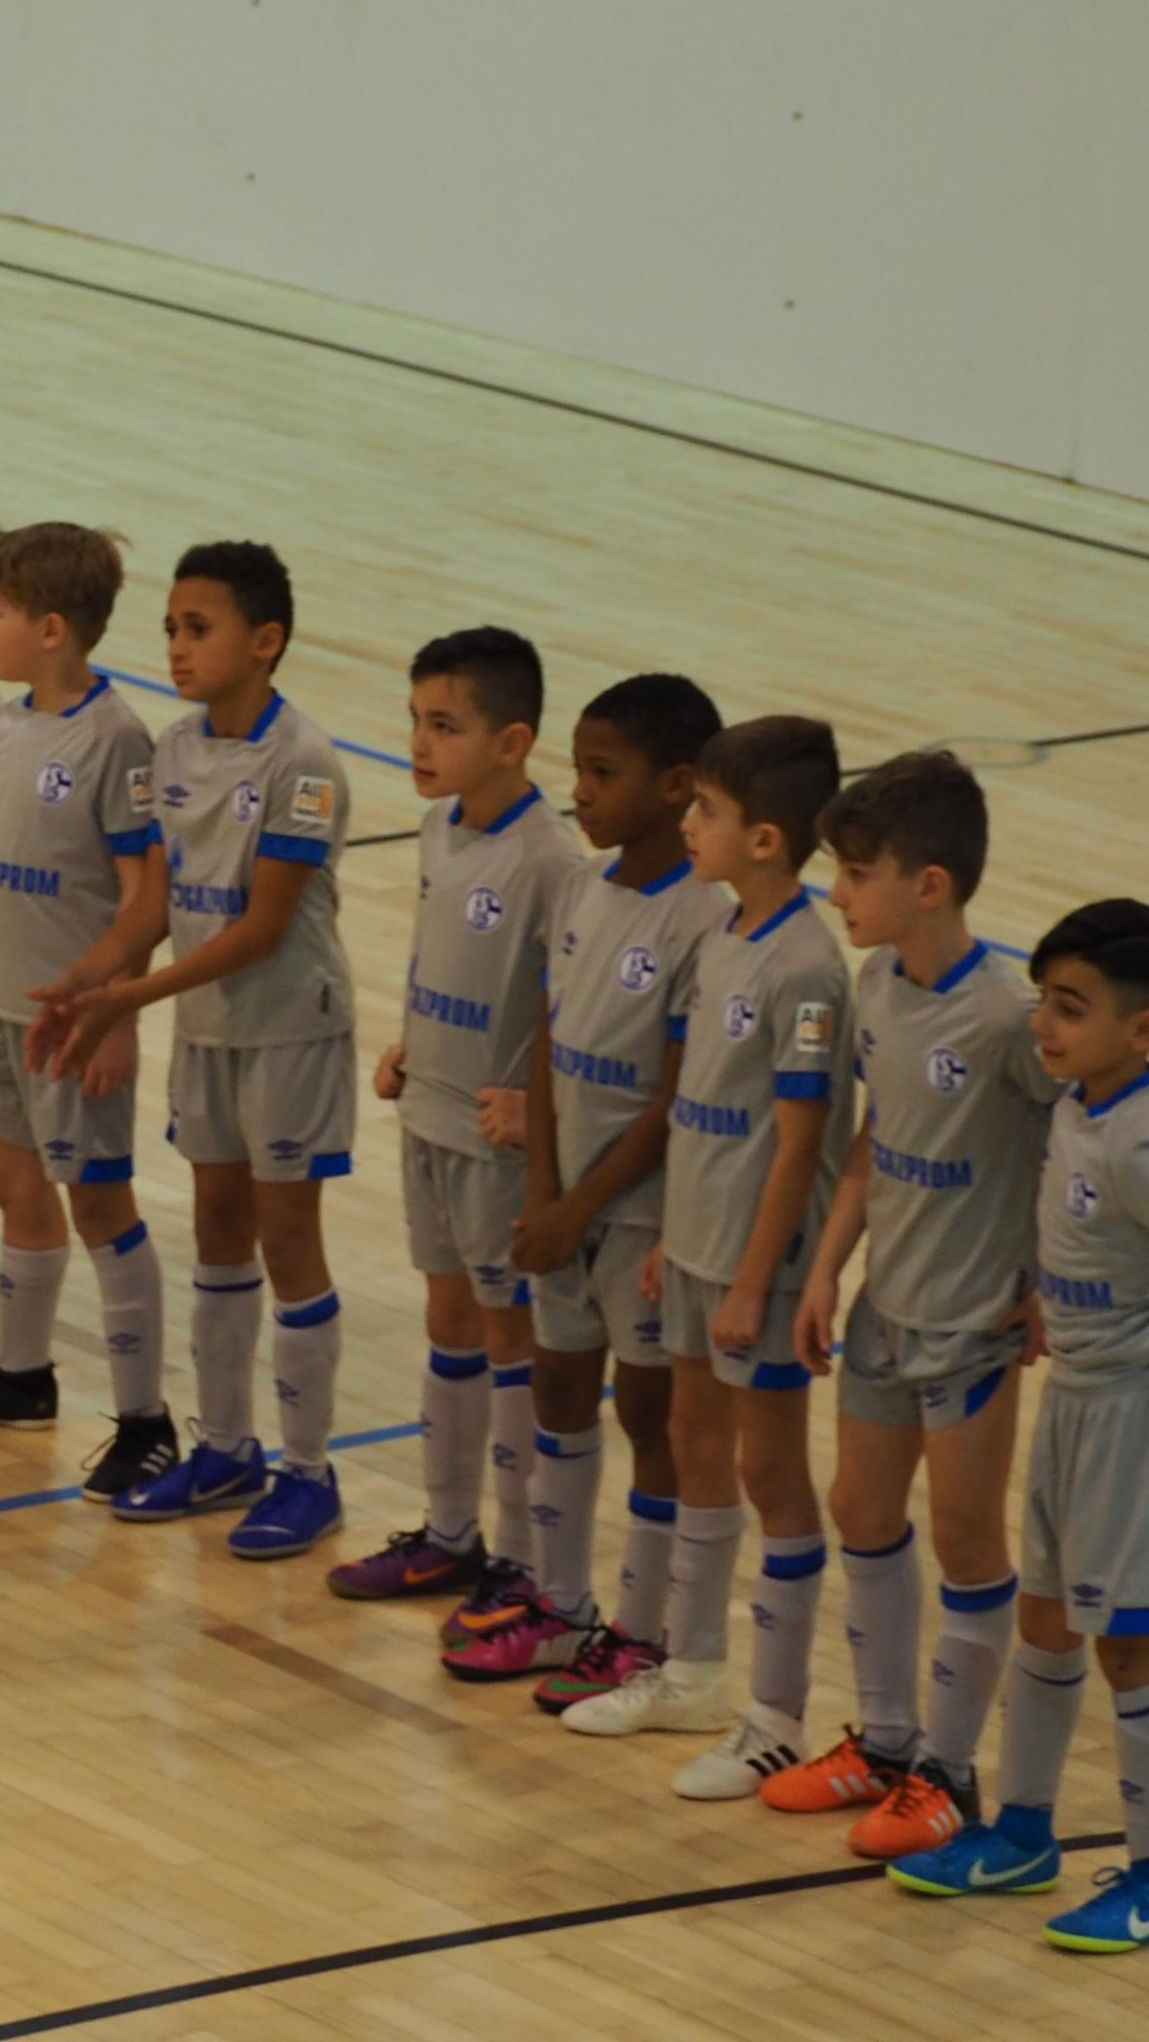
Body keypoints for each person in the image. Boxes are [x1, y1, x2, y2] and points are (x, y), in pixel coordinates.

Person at [884, 900, 1149, 1953]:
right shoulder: (1077, 1106)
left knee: (1127, 1646)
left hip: (1131, 1410)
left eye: (1071, 1008)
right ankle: (1024, 1834)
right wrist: (1054, 1298)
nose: (1045, 1025)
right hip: (1075, 1393)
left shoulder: (1144, 1141)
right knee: (1046, 1619)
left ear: (1144, 1028)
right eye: (1045, 1002)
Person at [770, 750, 1066, 1860]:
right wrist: (824, 1270)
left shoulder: (1006, 1018)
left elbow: (1067, 1148)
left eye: (856, 874)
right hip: (886, 1309)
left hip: (970, 1321)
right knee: (860, 1506)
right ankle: (887, 1743)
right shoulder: (877, 987)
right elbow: (872, 1143)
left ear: (928, 885)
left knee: (965, 1536)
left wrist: (1045, 1283)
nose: (837, 893)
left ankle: (949, 1774)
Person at [35, 542, 353, 1561]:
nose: (176, 646)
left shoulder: (302, 763)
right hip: (209, 1025)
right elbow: (157, 907)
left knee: (286, 1240)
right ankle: (225, 1449)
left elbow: (262, 928)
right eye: (171, 627)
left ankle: (310, 1472)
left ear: (265, 642)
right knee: (217, 1227)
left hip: (290, 1030)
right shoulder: (172, 751)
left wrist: (134, 996)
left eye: (198, 629)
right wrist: (87, 981)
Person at [563, 716, 853, 1784]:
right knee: (695, 1445)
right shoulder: (724, 932)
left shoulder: (807, 969)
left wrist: (749, 1276)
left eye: (709, 811)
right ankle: (689, 1674)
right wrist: (680, 1241)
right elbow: (700, 1109)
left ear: (765, 838)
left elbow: (799, 1142)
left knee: (769, 1470)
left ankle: (776, 1715)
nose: (689, 823)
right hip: (694, 1248)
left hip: (756, 1267)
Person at [335, 629, 582, 1633]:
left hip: (496, 1143)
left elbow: (571, 1007)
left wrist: (536, 1105)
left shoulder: (551, 861)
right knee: (447, 1321)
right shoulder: (439, 829)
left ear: (512, 741)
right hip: (429, 1113)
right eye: (414, 721)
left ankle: (521, 1554)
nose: (419, 743)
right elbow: (445, 958)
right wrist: (413, 1042)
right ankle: (448, 1532)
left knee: (508, 1332)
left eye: (444, 726)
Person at [0, 524, 174, 1490]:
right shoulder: (6, 728)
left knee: (100, 1206)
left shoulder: (115, 740)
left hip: (75, 1026)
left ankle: (147, 1421)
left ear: (53, 629)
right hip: (2, 1012)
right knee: (15, 1184)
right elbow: (0, 879)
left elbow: (145, 898)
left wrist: (115, 1013)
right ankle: (24, 1374)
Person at [503, 675, 729, 1716]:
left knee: (647, 1411)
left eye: (603, 772)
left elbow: (673, 1101)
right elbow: (549, 1042)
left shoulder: (702, 920)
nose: (580, 791)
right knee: (557, 1388)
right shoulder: (583, 890)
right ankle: (560, 1604)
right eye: (578, 769)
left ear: (677, 786)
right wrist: (541, 1188)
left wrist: (578, 1206)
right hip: (563, 1201)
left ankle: (641, 1633)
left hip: (636, 1211)